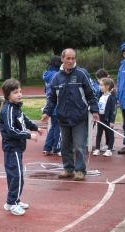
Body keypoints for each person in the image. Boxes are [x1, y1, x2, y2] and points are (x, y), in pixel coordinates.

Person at [41, 48, 99, 181]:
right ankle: (68, 169)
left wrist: (94, 110)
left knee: (79, 145)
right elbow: (52, 98)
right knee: (65, 145)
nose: (71, 61)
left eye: (73, 58)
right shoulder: (56, 78)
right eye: (68, 58)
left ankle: (80, 170)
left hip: (79, 117)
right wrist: (47, 113)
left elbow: (91, 93)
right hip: (63, 118)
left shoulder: (81, 74)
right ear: (62, 59)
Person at [0, 78, 44, 216]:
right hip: (12, 148)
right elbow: (11, 130)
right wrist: (28, 135)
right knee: (17, 175)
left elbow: (25, 120)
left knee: (15, 175)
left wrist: (35, 127)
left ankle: (15, 200)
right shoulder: (8, 110)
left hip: (17, 147)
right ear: (8, 95)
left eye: (20, 91)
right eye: (15, 92)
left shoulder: (17, 108)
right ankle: (11, 203)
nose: (19, 94)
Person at [42, 55, 62, 157]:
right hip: (57, 104)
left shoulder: (47, 75)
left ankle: (47, 147)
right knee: (58, 127)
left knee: (53, 127)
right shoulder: (58, 75)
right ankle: (57, 148)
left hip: (50, 104)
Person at [92, 77, 117, 157]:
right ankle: (97, 148)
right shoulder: (101, 96)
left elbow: (113, 110)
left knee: (110, 133)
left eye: (102, 85)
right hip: (100, 117)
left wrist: (112, 121)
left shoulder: (111, 98)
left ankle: (109, 149)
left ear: (107, 86)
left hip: (107, 118)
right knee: (99, 133)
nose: (100, 86)